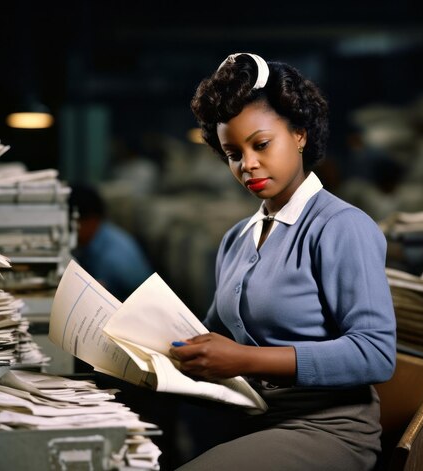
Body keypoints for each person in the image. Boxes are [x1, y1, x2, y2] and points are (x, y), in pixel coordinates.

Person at [169, 53, 397, 470]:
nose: (247, 165)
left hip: (326, 428)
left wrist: (244, 359)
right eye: (232, 153)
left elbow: (375, 353)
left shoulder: (341, 226)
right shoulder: (237, 237)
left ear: (300, 135)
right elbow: (213, 336)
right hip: (250, 417)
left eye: (261, 144)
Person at [68, 184, 153, 301]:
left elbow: (146, 302)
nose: (69, 232)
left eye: (71, 225)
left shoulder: (116, 258)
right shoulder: (92, 243)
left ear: (91, 220)